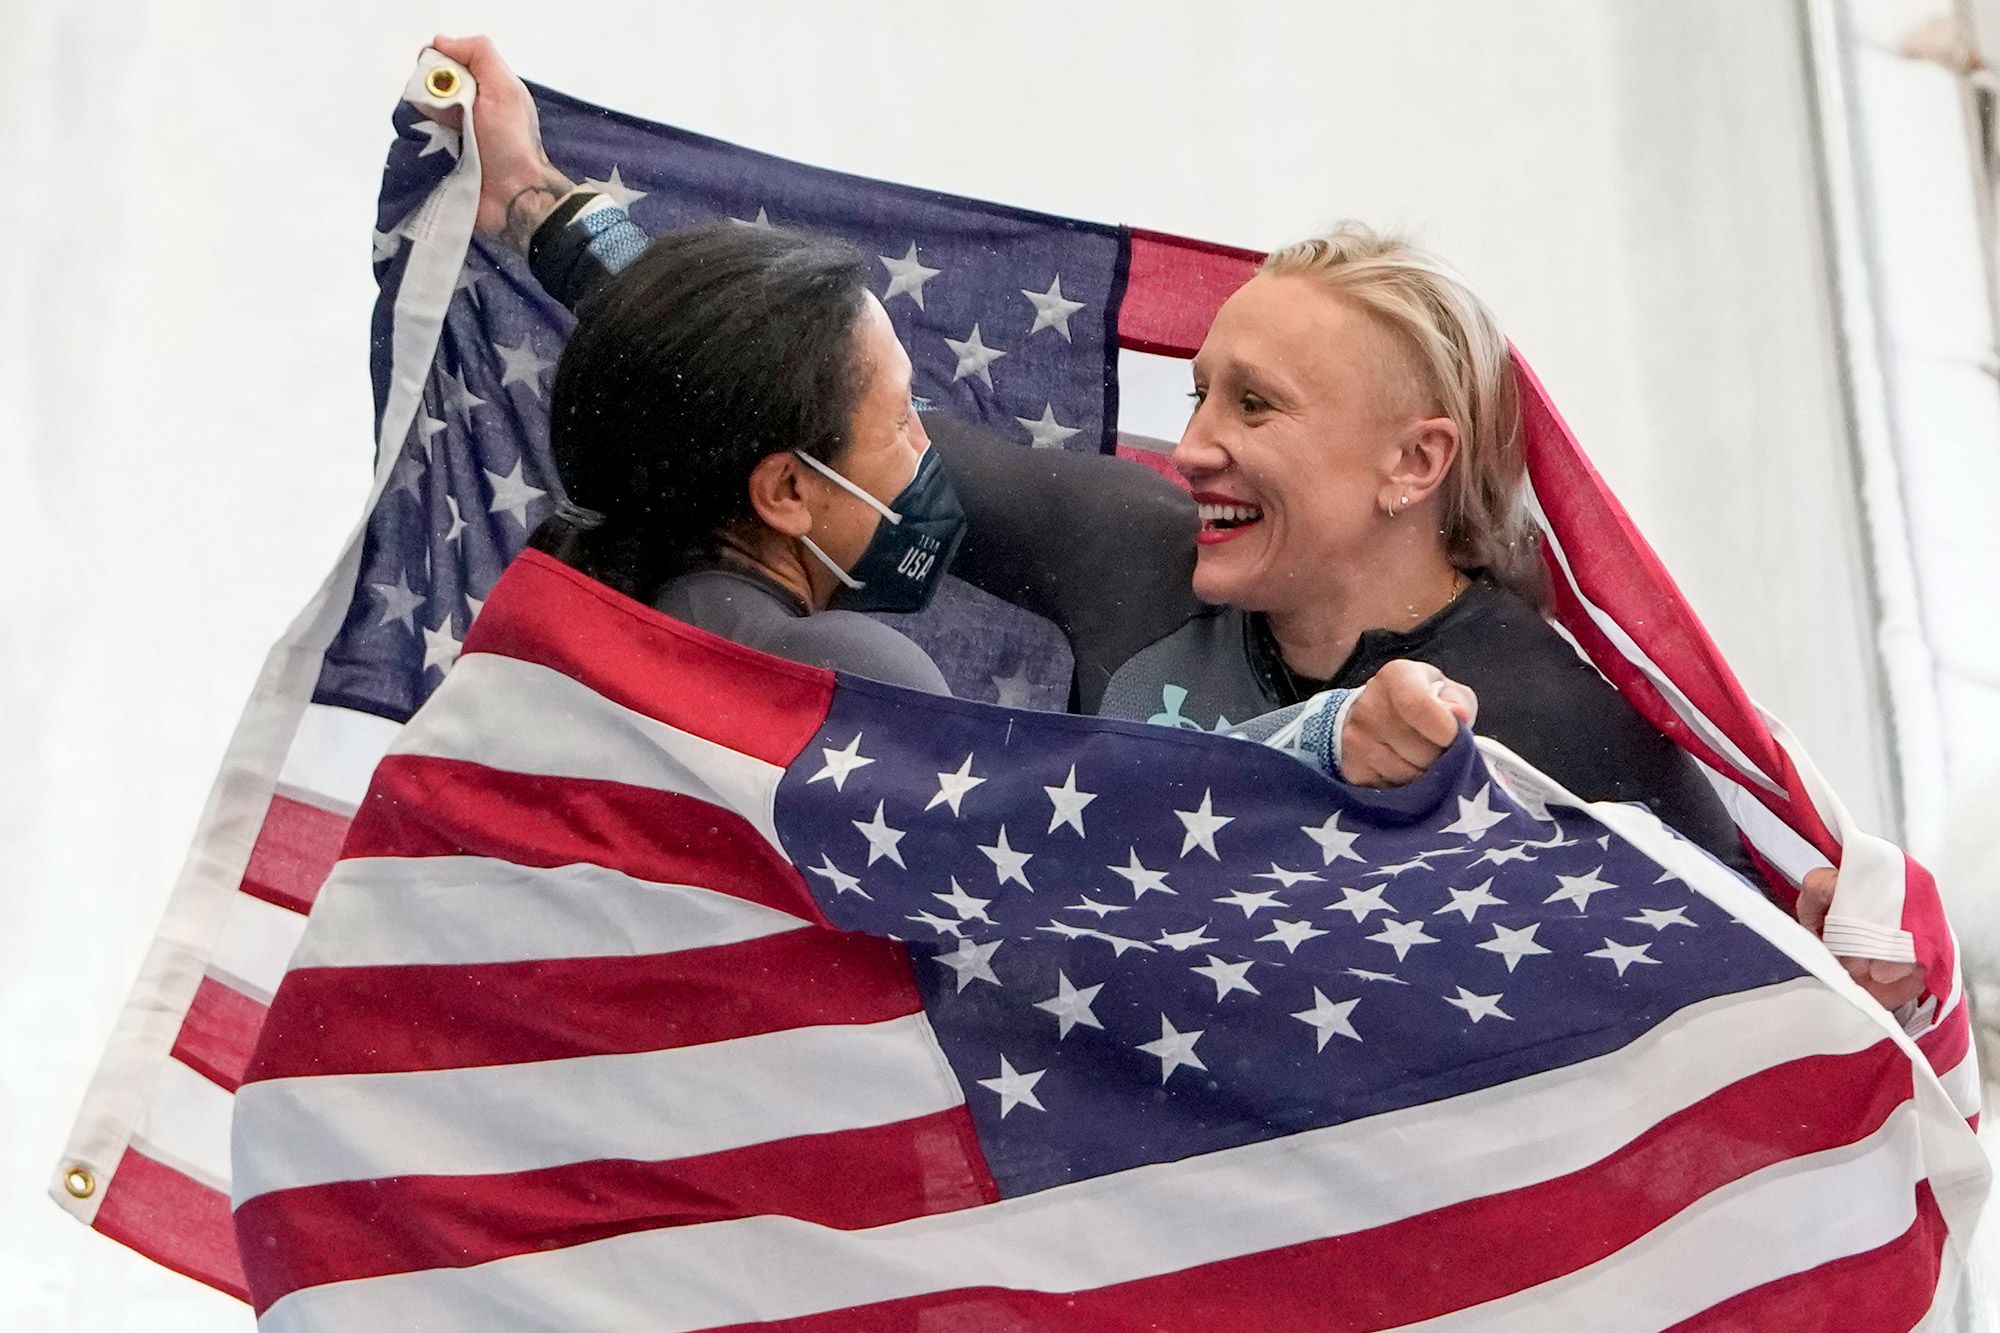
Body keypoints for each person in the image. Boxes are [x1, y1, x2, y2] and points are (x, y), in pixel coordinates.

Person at [427, 36, 1920, 1009]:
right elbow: (794, 416)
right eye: (1198, 392)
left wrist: (1875, 972)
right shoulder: (1126, 549)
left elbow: (1772, 995)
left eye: (1254, 409)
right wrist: (540, 202)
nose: (1189, 443)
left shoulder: (1564, 718)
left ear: (1417, 461)